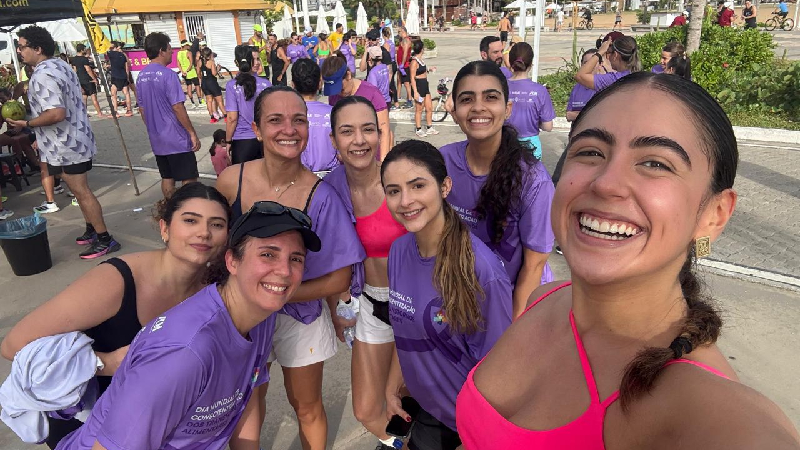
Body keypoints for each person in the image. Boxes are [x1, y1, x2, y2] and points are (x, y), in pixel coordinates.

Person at [455, 71, 800, 450]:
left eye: (655, 163)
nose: (606, 183)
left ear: (714, 215)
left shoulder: (715, 415)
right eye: (590, 152)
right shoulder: (545, 298)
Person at [53, 199, 320, 450]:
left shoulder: (261, 316)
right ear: (232, 261)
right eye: (268, 254)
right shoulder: (183, 354)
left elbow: (245, 396)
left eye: (296, 259)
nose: (285, 271)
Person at [0, 182, 231, 448]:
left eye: (216, 224)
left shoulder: (215, 289)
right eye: (190, 220)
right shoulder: (116, 281)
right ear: (165, 228)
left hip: (153, 426)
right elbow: (13, 345)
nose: (203, 233)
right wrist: (106, 363)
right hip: (86, 427)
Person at [216, 86, 364, 450]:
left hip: (301, 315)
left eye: (299, 120)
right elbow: (212, 250)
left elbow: (340, 276)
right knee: (245, 402)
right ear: (256, 128)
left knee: (306, 405)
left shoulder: (322, 195)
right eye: (275, 120)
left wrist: (275, 294)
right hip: (242, 318)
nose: (288, 129)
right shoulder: (231, 181)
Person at [382, 139, 513, 450]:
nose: (405, 201)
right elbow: (405, 328)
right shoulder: (399, 251)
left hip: (467, 424)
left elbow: (500, 371)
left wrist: (475, 439)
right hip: (425, 410)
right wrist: (392, 386)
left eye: (418, 186)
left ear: (445, 187)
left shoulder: (481, 271)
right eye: (394, 191)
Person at [322, 96, 407, 450]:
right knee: (367, 410)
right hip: (370, 303)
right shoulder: (327, 191)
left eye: (368, 129)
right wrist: (336, 309)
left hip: (416, 305)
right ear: (333, 140)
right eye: (347, 131)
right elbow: (326, 258)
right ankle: (402, 445)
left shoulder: (400, 181)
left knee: (405, 399)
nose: (359, 140)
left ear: (379, 134)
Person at [442, 60, 555, 318]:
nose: (478, 107)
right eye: (467, 99)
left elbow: (534, 265)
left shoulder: (533, 180)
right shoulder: (442, 162)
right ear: (455, 111)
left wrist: (511, 330)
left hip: (515, 300)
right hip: (464, 298)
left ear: (507, 109)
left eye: (490, 97)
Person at [7, 26, 121, 259]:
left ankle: (105, 239)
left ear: (38, 49)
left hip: (66, 143)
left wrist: (27, 124)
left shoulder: (42, 75)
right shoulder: (60, 65)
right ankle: (92, 229)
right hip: (72, 139)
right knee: (77, 189)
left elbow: (56, 113)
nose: (19, 51)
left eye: (22, 46)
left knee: (82, 191)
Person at [135, 32, 201, 198]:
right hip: (176, 137)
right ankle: (187, 208)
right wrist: (191, 132)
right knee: (189, 178)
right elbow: (178, 107)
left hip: (158, 138)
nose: (172, 52)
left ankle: (169, 208)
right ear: (161, 51)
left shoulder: (141, 76)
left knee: (167, 177)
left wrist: (154, 129)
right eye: (169, 48)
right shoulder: (169, 75)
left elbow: (142, 109)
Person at [322, 53, 393, 160]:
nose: (339, 93)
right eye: (334, 90)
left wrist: (383, 163)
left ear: (348, 75)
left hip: (371, 158)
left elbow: (384, 131)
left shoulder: (372, 94)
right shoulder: (333, 96)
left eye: (341, 89)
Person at [506, 42, 555, 160]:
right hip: (531, 147)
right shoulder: (540, 91)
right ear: (531, 64)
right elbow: (548, 126)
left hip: (504, 144)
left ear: (510, 63)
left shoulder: (500, 87)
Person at [225, 44, 272, 164]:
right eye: (254, 59)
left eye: (258, 59)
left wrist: (228, 141)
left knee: (242, 175)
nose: (257, 63)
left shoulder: (232, 85)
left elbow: (232, 118)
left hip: (242, 140)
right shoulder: (266, 84)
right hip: (264, 138)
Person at [292, 58, 338, 172]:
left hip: (298, 176)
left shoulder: (287, 116)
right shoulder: (334, 113)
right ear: (320, 84)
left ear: (293, 85)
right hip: (332, 176)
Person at [575, 34, 640, 91]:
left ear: (615, 55)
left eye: (608, 53)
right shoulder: (640, 77)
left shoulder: (613, 80)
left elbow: (580, 76)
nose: (607, 58)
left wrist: (600, 52)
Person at [409, 40, 439, 138]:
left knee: (429, 107)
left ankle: (429, 127)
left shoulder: (420, 60)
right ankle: (418, 129)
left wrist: (429, 70)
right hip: (418, 85)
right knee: (419, 109)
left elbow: (422, 71)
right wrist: (415, 92)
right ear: (422, 49)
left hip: (425, 84)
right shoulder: (414, 62)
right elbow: (412, 78)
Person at [70, 44, 106, 118]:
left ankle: (84, 114)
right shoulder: (84, 59)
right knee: (93, 97)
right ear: (81, 50)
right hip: (88, 79)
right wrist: (94, 78)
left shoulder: (74, 59)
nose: (85, 50)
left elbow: (74, 70)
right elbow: (88, 69)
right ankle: (99, 113)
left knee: (84, 97)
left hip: (80, 80)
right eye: (84, 49)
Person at [566, 49, 600, 122]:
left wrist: (575, 114)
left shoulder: (605, 86)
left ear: (600, 64)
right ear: (581, 65)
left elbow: (600, 115)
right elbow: (568, 115)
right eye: (586, 63)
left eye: (593, 62)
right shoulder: (577, 87)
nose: (589, 66)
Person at [106, 41, 133, 117]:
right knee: (126, 93)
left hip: (115, 76)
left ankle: (115, 111)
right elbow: (127, 67)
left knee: (113, 94)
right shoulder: (123, 55)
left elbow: (105, 50)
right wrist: (127, 77)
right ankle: (129, 110)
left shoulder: (111, 54)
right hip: (123, 76)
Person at [177, 40, 202, 108]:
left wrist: (183, 71)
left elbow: (178, 64)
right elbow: (191, 63)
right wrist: (187, 70)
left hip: (185, 73)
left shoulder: (178, 53)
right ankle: (200, 102)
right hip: (191, 72)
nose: (189, 46)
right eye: (188, 45)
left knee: (189, 87)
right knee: (197, 86)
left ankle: (192, 103)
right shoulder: (188, 52)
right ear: (185, 46)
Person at [395, 27, 413, 108]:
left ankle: (409, 100)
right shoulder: (402, 40)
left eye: (399, 32)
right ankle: (398, 98)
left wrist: (402, 64)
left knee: (406, 83)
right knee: (399, 80)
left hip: (404, 65)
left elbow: (405, 53)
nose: (398, 34)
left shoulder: (406, 40)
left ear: (403, 32)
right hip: (400, 65)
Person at [382, 27, 399, 109]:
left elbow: (386, 56)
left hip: (389, 64)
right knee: (391, 83)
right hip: (394, 63)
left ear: (383, 35)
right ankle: (393, 100)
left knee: (390, 83)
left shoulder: (386, 44)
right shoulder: (392, 43)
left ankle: (395, 102)